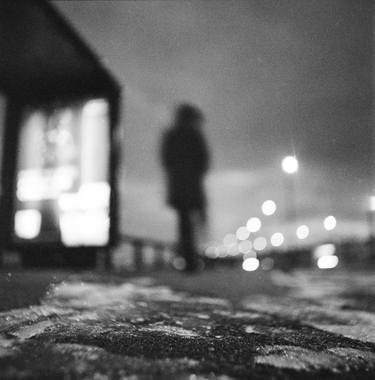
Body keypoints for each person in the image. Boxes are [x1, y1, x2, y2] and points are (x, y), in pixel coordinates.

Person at [161, 104, 210, 272]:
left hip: (179, 186)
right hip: (192, 185)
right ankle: (192, 259)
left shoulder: (171, 135)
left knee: (183, 223)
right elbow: (204, 160)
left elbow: (166, 159)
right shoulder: (194, 135)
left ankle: (188, 259)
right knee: (193, 223)